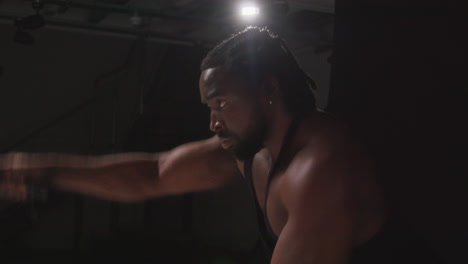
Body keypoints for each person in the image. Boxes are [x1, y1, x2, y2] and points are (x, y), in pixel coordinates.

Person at [0, 27, 439, 264]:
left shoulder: (321, 172)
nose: (213, 120)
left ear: (268, 90)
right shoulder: (255, 147)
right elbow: (154, 174)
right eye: (209, 106)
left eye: (222, 103)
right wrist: (36, 168)